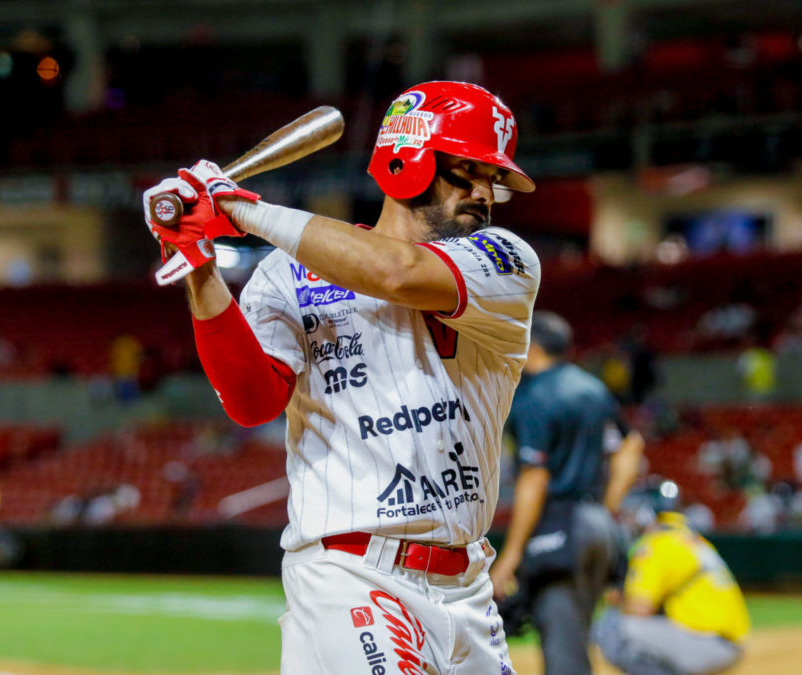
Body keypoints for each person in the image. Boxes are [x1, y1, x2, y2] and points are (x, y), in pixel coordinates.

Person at [141, 81, 538, 673]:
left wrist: (236, 208)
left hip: (469, 585)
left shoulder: (507, 259)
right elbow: (252, 401)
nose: (485, 193)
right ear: (408, 163)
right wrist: (199, 264)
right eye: (466, 172)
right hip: (350, 574)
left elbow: (396, 274)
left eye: (492, 179)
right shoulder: (287, 272)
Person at [491, 310, 644, 674]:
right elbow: (630, 446)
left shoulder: (534, 395)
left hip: (559, 528)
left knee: (563, 655)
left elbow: (535, 477)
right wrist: (605, 507)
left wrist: (510, 557)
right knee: (576, 640)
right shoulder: (591, 387)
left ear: (531, 346)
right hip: (599, 528)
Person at [593, 502, 750, 675]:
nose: (629, 523)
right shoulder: (689, 538)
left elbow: (639, 609)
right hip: (727, 643)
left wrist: (619, 602)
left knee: (609, 627)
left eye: (632, 516)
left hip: (706, 644)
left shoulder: (656, 543)